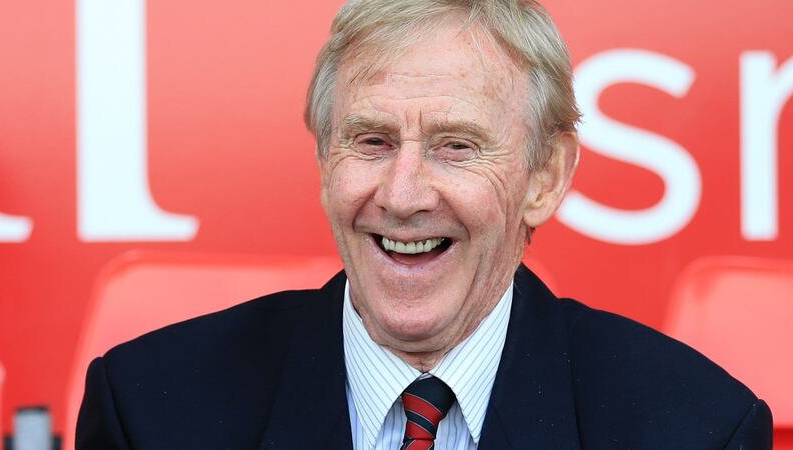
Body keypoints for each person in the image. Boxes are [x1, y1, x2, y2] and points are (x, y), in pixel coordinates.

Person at [76, 0, 773, 449]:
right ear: (324, 160)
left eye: (457, 146)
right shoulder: (150, 410)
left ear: (546, 177)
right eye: (371, 141)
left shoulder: (695, 427)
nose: (403, 195)